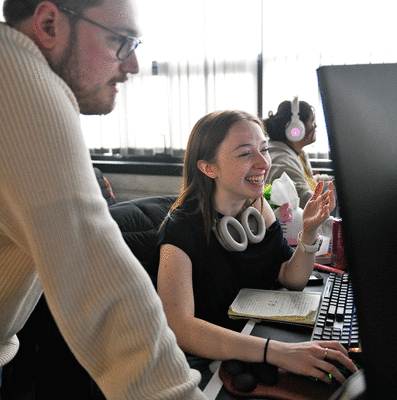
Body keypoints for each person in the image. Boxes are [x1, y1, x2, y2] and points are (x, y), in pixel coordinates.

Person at [0, 1, 205, 399]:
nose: (133, 65)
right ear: (49, 24)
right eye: (120, 41)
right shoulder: (2, 75)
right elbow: (102, 284)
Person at [150, 110, 358, 389]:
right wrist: (278, 352)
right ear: (209, 168)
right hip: (208, 358)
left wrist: (308, 232)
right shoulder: (180, 228)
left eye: (264, 149)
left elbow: (291, 278)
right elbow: (180, 327)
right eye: (245, 154)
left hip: (255, 336)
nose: (263, 163)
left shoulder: (257, 209)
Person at [264, 99, 334, 208]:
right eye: (312, 121)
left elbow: (307, 182)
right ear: (296, 129)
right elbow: (303, 200)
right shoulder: (282, 161)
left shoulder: (297, 153)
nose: (315, 126)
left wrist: (336, 181)